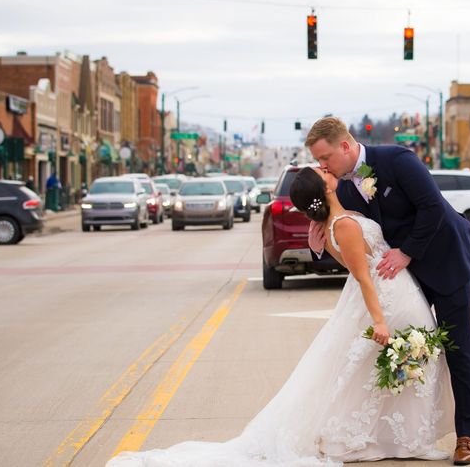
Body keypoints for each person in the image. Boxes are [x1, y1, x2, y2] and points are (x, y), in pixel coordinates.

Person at [108, 166, 452, 466]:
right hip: (385, 297)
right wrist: (378, 320)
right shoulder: (342, 225)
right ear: (325, 189)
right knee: (397, 364)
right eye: (323, 174)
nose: (327, 170)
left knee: (376, 371)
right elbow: (363, 276)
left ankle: (397, 437)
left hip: (395, 292)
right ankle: (389, 438)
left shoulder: (338, 221)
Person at [306, 117, 470, 465]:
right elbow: (350, 235)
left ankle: (467, 436)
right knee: (405, 348)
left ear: (345, 145)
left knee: (458, 346)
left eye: (325, 157)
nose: (323, 166)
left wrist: (407, 252)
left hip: (445, 259)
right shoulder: (341, 187)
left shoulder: (398, 159)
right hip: (401, 279)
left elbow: (431, 208)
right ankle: (403, 430)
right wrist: (319, 241)